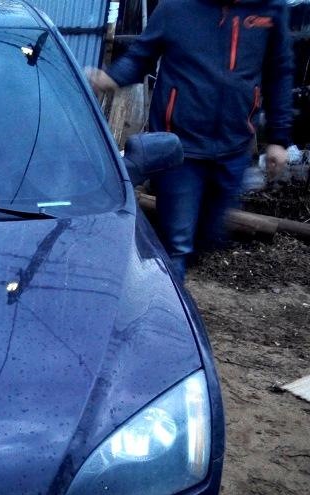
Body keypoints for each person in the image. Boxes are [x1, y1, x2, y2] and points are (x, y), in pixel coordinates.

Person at [89, 0, 294, 283]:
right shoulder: (176, 7)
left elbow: (279, 72)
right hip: (179, 148)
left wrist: (278, 139)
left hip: (234, 147)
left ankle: (168, 272)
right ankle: (166, 299)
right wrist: (111, 77)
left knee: (208, 236)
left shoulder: (269, 8)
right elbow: (141, 56)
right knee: (177, 244)